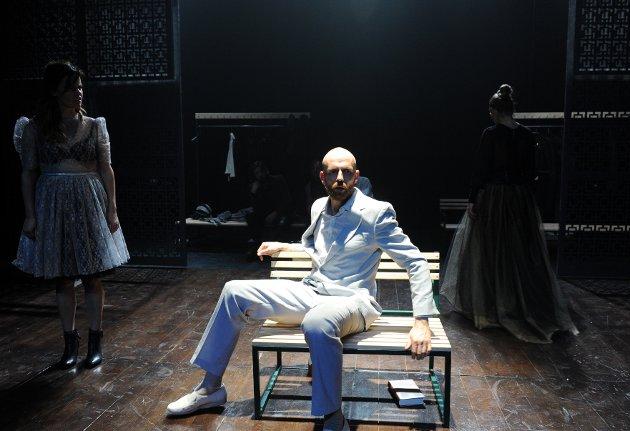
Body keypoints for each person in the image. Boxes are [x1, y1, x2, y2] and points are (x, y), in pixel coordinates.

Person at [167, 147, 436, 431]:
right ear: (322, 177)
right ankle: (210, 389)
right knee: (234, 291)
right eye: (333, 172)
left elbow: (416, 262)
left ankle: (332, 417)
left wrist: (422, 321)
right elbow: (322, 250)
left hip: (353, 302)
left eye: (346, 172)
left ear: (356, 177)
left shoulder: (376, 213)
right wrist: (286, 247)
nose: (340, 178)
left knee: (317, 322)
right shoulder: (319, 206)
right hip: (312, 292)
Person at [13, 61, 129, 369]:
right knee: (63, 277)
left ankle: (95, 342)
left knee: (91, 275)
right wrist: (30, 214)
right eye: (71, 88)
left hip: (88, 200)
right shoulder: (35, 128)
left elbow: (106, 168)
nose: (78, 93)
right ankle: (69, 344)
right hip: (53, 202)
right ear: (55, 91)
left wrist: (112, 207)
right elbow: (28, 172)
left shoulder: (94, 125)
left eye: (80, 87)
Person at [440, 84, 578, 343]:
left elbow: (481, 169)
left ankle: (493, 305)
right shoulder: (526, 135)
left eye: (490, 110)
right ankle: (516, 304)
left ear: (495, 110)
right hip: (519, 199)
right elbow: (531, 172)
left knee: (492, 250)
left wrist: (473, 199)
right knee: (518, 252)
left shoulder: (491, 134)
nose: (489, 114)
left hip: (495, 198)